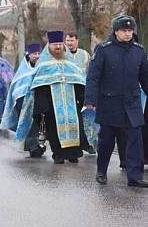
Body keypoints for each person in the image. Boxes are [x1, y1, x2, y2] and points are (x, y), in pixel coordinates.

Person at [85, 15, 148, 187]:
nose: (128, 34)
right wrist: (90, 100)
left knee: (135, 139)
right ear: (116, 31)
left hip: (132, 102)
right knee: (106, 139)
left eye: (130, 30)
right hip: (109, 102)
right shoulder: (104, 49)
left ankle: (134, 176)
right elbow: (93, 77)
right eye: (124, 30)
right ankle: (101, 171)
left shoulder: (139, 51)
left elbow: (145, 77)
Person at [15, 31, 87, 164]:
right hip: (51, 106)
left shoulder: (71, 63)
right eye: (55, 44)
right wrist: (42, 106)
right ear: (49, 46)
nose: (58, 47)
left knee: (75, 127)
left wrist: (82, 99)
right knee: (54, 130)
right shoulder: (43, 65)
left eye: (60, 44)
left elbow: (79, 83)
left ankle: (73, 153)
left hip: (72, 104)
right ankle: (58, 154)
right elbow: (39, 87)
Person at [0, 48, 44, 158]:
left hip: (39, 100)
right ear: (29, 55)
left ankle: (37, 145)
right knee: (29, 123)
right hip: (23, 101)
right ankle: (33, 147)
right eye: (35, 53)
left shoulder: (43, 67)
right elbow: (17, 87)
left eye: (39, 53)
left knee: (39, 124)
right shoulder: (23, 70)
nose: (37, 56)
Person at [65, 32, 97, 154]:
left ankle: (89, 143)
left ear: (77, 41)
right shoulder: (62, 55)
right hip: (67, 91)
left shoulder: (85, 55)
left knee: (87, 118)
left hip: (83, 90)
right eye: (67, 41)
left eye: (72, 40)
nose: (69, 43)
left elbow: (91, 72)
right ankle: (72, 145)